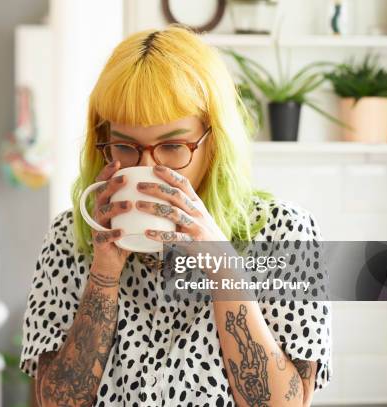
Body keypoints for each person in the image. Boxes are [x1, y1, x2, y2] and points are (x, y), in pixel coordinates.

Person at [20, 26, 331, 406]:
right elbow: (57, 402)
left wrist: (222, 266)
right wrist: (103, 275)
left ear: (214, 140)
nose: (148, 167)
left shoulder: (284, 233)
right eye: (125, 146)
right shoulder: (71, 236)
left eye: (172, 145)